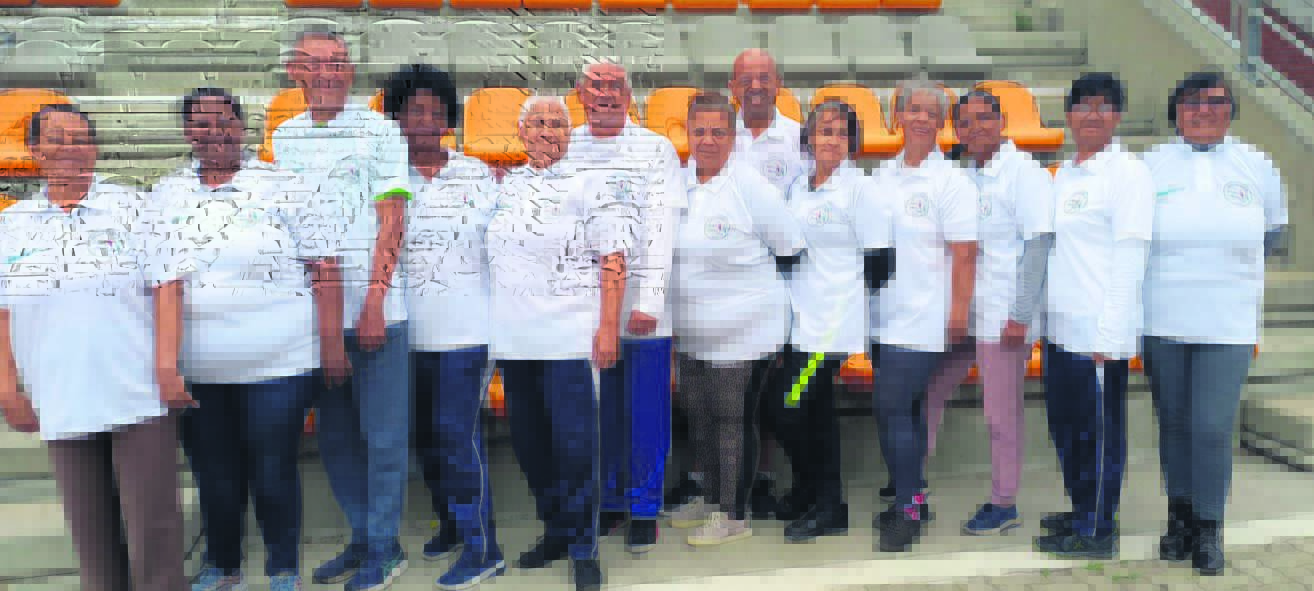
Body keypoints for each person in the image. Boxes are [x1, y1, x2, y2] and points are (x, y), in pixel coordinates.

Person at [155, 88, 345, 591]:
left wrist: (331, 345)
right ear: (187, 133)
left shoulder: (284, 186)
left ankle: (282, 567)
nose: (213, 131)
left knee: (273, 467)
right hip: (199, 366)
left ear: (242, 127)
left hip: (280, 363)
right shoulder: (166, 193)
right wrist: (165, 362)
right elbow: (160, 280)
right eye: (200, 123)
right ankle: (223, 566)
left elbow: (326, 266)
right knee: (214, 472)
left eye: (224, 120)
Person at [0, 103, 192, 591]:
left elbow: (168, 286)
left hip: (136, 389)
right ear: (34, 150)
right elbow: (2, 311)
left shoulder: (134, 207)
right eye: (57, 138)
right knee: (92, 534)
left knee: (154, 532)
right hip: (60, 394)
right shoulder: (13, 224)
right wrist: (8, 388)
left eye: (81, 138)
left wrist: (166, 367)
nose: (70, 147)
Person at [271, 28, 413, 590]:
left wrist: (375, 299)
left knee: (383, 439)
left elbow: (393, 217)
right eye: (315, 62)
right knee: (336, 440)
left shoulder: (379, 131)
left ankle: (385, 547)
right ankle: (362, 536)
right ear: (295, 72)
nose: (327, 72)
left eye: (337, 62)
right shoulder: (284, 137)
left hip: (377, 314)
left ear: (350, 72)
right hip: (316, 319)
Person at [1142, 72, 1286, 576]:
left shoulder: (1256, 163)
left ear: (1231, 109)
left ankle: (1209, 526)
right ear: (1175, 111)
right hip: (1163, 318)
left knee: (1211, 426)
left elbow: (1272, 235)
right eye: (1191, 102)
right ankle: (1179, 518)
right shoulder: (1151, 164)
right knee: (1173, 424)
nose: (1203, 110)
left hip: (1228, 323)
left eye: (1215, 101)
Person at [488, 96, 635, 591]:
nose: (548, 131)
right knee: (531, 446)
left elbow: (613, 259)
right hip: (515, 341)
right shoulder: (504, 187)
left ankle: (583, 546)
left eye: (557, 123)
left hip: (569, 340)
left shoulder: (590, 184)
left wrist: (609, 327)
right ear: (521, 132)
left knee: (575, 449)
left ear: (570, 135)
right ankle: (555, 530)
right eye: (538, 123)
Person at [383, 64, 506, 589]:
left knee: (458, 438)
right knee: (426, 439)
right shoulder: (386, 179)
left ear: (449, 119)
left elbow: (503, 247)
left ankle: (484, 548)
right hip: (406, 336)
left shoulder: (476, 174)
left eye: (436, 112)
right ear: (397, 118)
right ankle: (453, 523)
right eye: (414, 111)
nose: (426, 121)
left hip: (467, 333)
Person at [666, 91, 805, 546]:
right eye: (699, 131)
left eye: (718, 132)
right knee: (700, 416)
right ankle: (710, 497)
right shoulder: (677, 183)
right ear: (688, 134)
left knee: (731, 419)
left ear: (733, 136)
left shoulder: (750, 186)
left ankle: (733, 514)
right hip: (693, 330)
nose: (707, 140)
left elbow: (790, 246)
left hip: (747, 330)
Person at [923, 90, 1055, 536]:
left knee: (1000, 414)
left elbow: (1038, 246)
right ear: (956, 131)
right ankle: (911, 483)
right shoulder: (964, 176)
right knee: (927, 391)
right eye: (965, 122)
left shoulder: (1025, 174)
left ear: (1002, 122)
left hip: (1003, 318)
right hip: (964, 313)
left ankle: (1004, 503)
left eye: (984, 118)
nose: (975, 127)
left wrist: (1021, 314)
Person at [568, 60, 687, 553]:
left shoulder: (654, 149)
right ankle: (612, 501)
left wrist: (650, 298)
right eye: (596, 86)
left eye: (616, 86)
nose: (606, 94)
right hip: (584, 308)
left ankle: (644, 508)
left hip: (641, 308)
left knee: (645, 413)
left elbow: (662, 225)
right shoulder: (566, 146)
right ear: (580, 94)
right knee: (603, 412)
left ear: (629, 96)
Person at [1035, 72, 1153, 560]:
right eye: (1083, 105)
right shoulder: (1064, 174)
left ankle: (1099, 529)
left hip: (1098, 335)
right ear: (1068, 115)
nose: (1092, 114)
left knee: (1099, 436)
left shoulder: (1127, 173)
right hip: (1061, 331)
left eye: (1103, 106)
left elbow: (1131, 256)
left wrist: (1111, 331)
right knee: (1069, 431)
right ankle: (1083, 507)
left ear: (1118, 116)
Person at [768, 99, 888, 542]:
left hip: (832, 326)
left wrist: (845, 304)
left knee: (789, 406)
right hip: (798, 319)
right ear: (809, 139)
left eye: (840, 132)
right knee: (813, 412)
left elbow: (879, 262)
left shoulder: (861, 190)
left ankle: (829, 502)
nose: (831, 140)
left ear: (852, 142)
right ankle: (812, 495)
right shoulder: (799, 186)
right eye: (823, 131)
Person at [870, 79, 979, 553]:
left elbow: (965, 252)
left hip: (922, 318)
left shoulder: (950, 181)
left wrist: (958, 312)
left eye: (930, 112)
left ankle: (907, 512)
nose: (920, 118)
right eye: (911, 108)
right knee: (908, 412)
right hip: (882, 315)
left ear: (940, 123)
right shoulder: (881, 176)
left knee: (891, 408)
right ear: (896, 116)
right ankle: (914, 496)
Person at [726, 48, 809, 520]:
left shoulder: (798, 139)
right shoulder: (720, 135)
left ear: (779, 84)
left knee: (769, 385)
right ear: (732, 87)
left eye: (764, 77)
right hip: (726, 280)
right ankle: (719, 478)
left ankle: (765, 478)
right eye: (745, 78)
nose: (755, 86)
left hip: (782, 277)